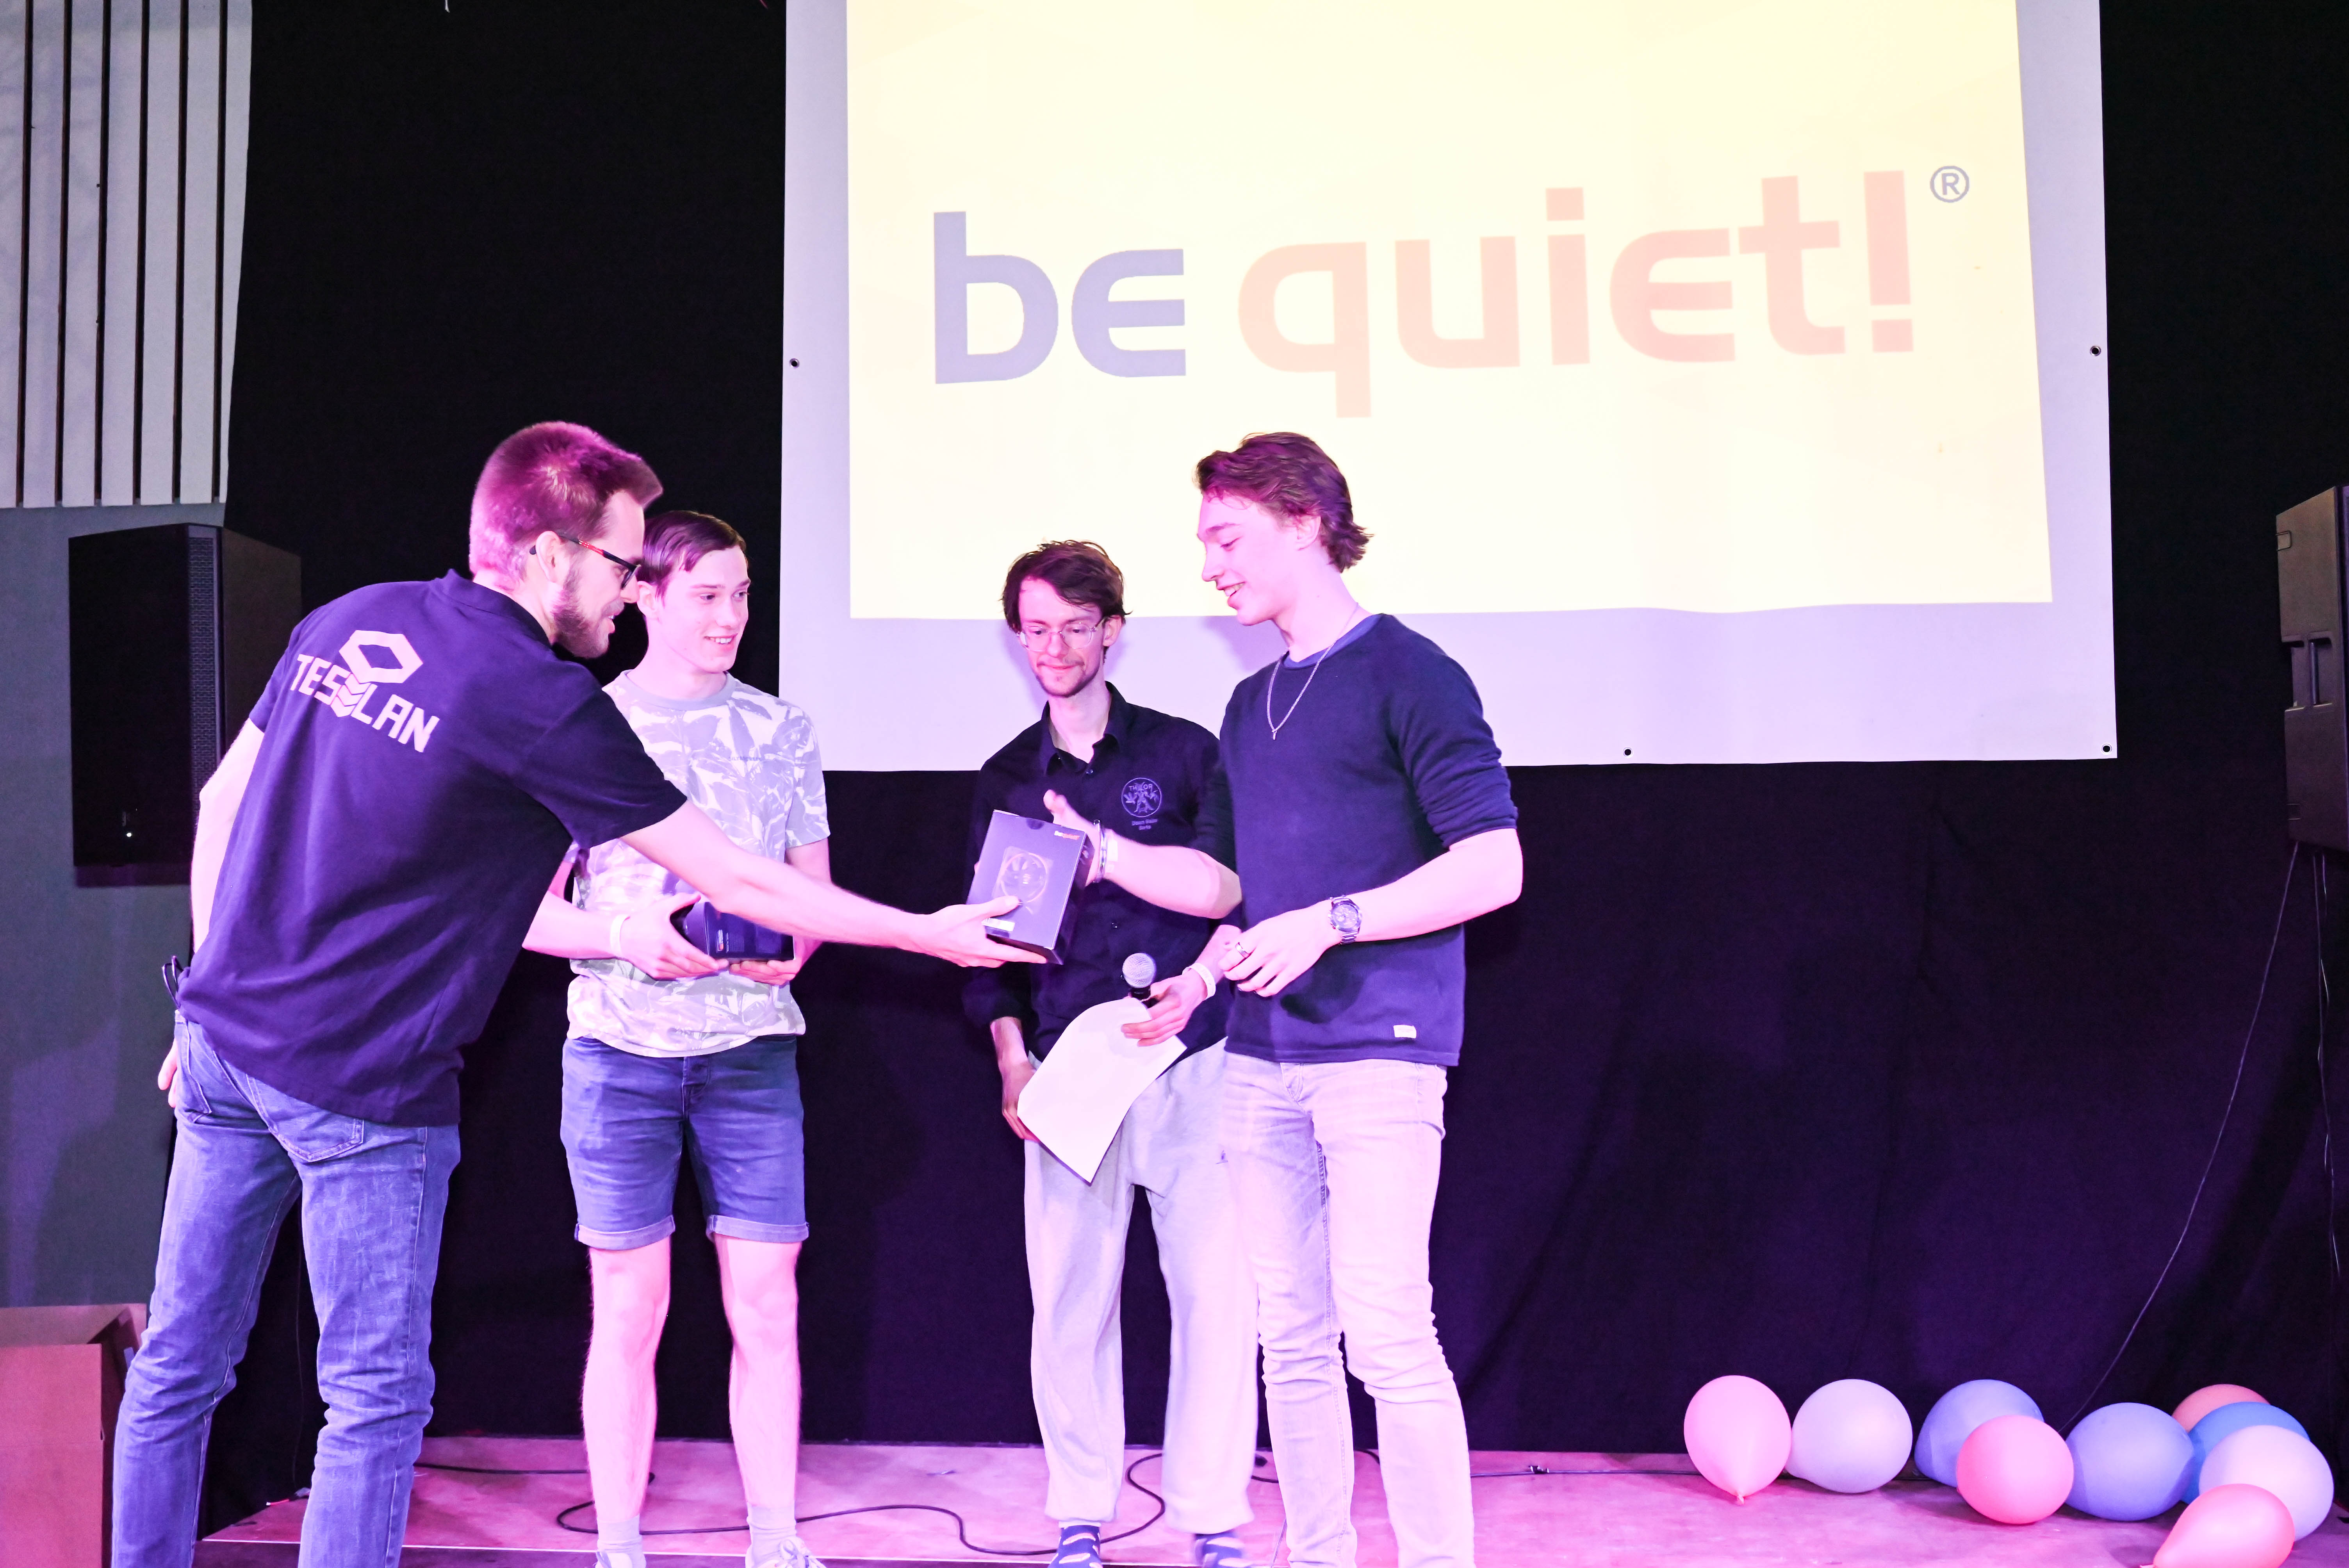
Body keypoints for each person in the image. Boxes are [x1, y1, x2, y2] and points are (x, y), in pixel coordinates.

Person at [115, 423, 1033, 1568]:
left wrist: (204, 990)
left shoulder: (352, 617)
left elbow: (222, 802)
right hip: (363, 1087)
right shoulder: (541, 699)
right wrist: (927, 933)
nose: (627, 588)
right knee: (374, 1400)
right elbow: (738, 878)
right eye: (620, 564)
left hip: (225, 1053)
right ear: (550, 555)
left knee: (180, 1365)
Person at [1038, 435, 1521, 1568]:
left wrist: (1335, 921)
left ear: (1306, 523)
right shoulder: (1249, 702)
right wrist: (1202, 972)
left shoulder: (1413, 673)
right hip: (1256, 1058)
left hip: (1380, 1054)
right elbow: (1248, 893)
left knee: (1387, 1335)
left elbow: (1495, 866)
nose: (1209, 565)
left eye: (1227, 537)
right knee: (1291, 1343)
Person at [518, 511, 830, 1568]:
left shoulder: (781, 729)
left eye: (742, 595)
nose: (730, 616)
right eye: (706, 596)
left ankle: (775, 1539)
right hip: (617, 1052)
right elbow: (524, 912)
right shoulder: (584, 726)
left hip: (752, 1053)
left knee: (768, 1304)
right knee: (628, 1308)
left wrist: (791, 950)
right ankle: (619, 1546)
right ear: (644, 595)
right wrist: (629, 938)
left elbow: (812, 895)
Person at [964, 542, 1259, 1568]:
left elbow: (1233, 891)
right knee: (1070, 1300)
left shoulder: (1183, 753)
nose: (1055, 648)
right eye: (1036, 629)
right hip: (1071, 1067)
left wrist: (1199, 978)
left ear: (1114, 631)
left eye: (1075, 627)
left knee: (1215, 1295)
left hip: (1191, 1053)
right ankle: (1082, 1513)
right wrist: (1014, 1061)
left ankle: (1213, 1519)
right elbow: (993, 949)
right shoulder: (1008, 780)